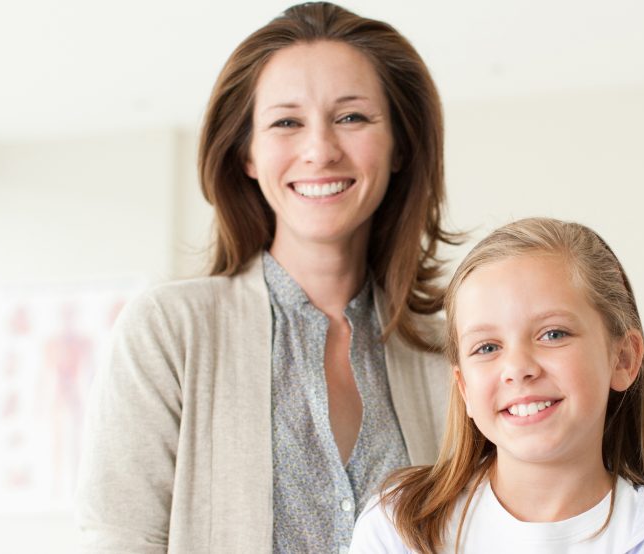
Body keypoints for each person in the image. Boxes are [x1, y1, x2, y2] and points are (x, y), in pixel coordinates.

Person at [75, 3, 456, 552]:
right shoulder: (168, 331)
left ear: (400, 145)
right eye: (286, 122)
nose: (320, 150)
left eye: (352, 117)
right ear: (246, 154)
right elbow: (120, 538)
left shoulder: (452, 352)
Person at [351, 218, 644, 553]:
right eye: (488, 347)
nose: (518, 368)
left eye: (553, 334)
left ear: (622, 359)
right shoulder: (396, 528)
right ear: (464, 389)